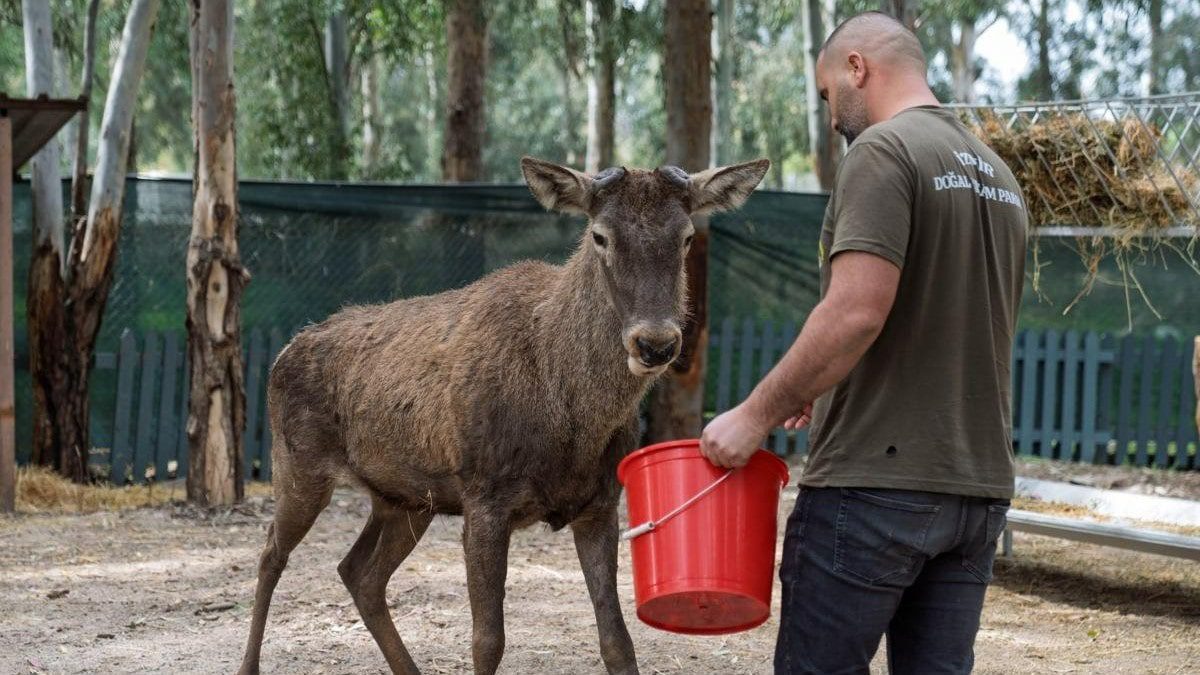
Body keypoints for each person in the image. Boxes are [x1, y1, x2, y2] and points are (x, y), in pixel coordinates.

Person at [699, 11, 1029, 675]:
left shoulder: (883, 151)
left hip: (875, 489)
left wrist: (754, 414)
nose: (830, 118)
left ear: (857, 67)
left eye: (827, 95)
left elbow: (855, 311)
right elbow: (938, 317)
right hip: (977, 490)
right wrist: (814, 384)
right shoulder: (999, 176)